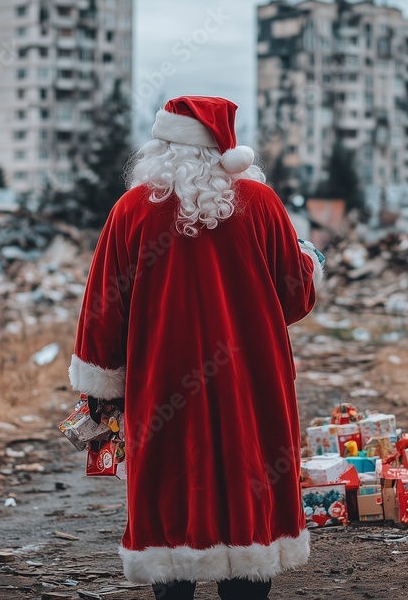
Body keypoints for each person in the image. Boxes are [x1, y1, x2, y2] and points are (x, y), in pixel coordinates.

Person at [69, 96, 324, 600]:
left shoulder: (130, 210)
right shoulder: (261, 205)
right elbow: (295, 296)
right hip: (252, 384)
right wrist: (309, 258)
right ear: (225, 148)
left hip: (161, 385)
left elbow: (102, 308)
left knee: (168, 486)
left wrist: (101, 387)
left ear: (160, 148)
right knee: (250, 478)